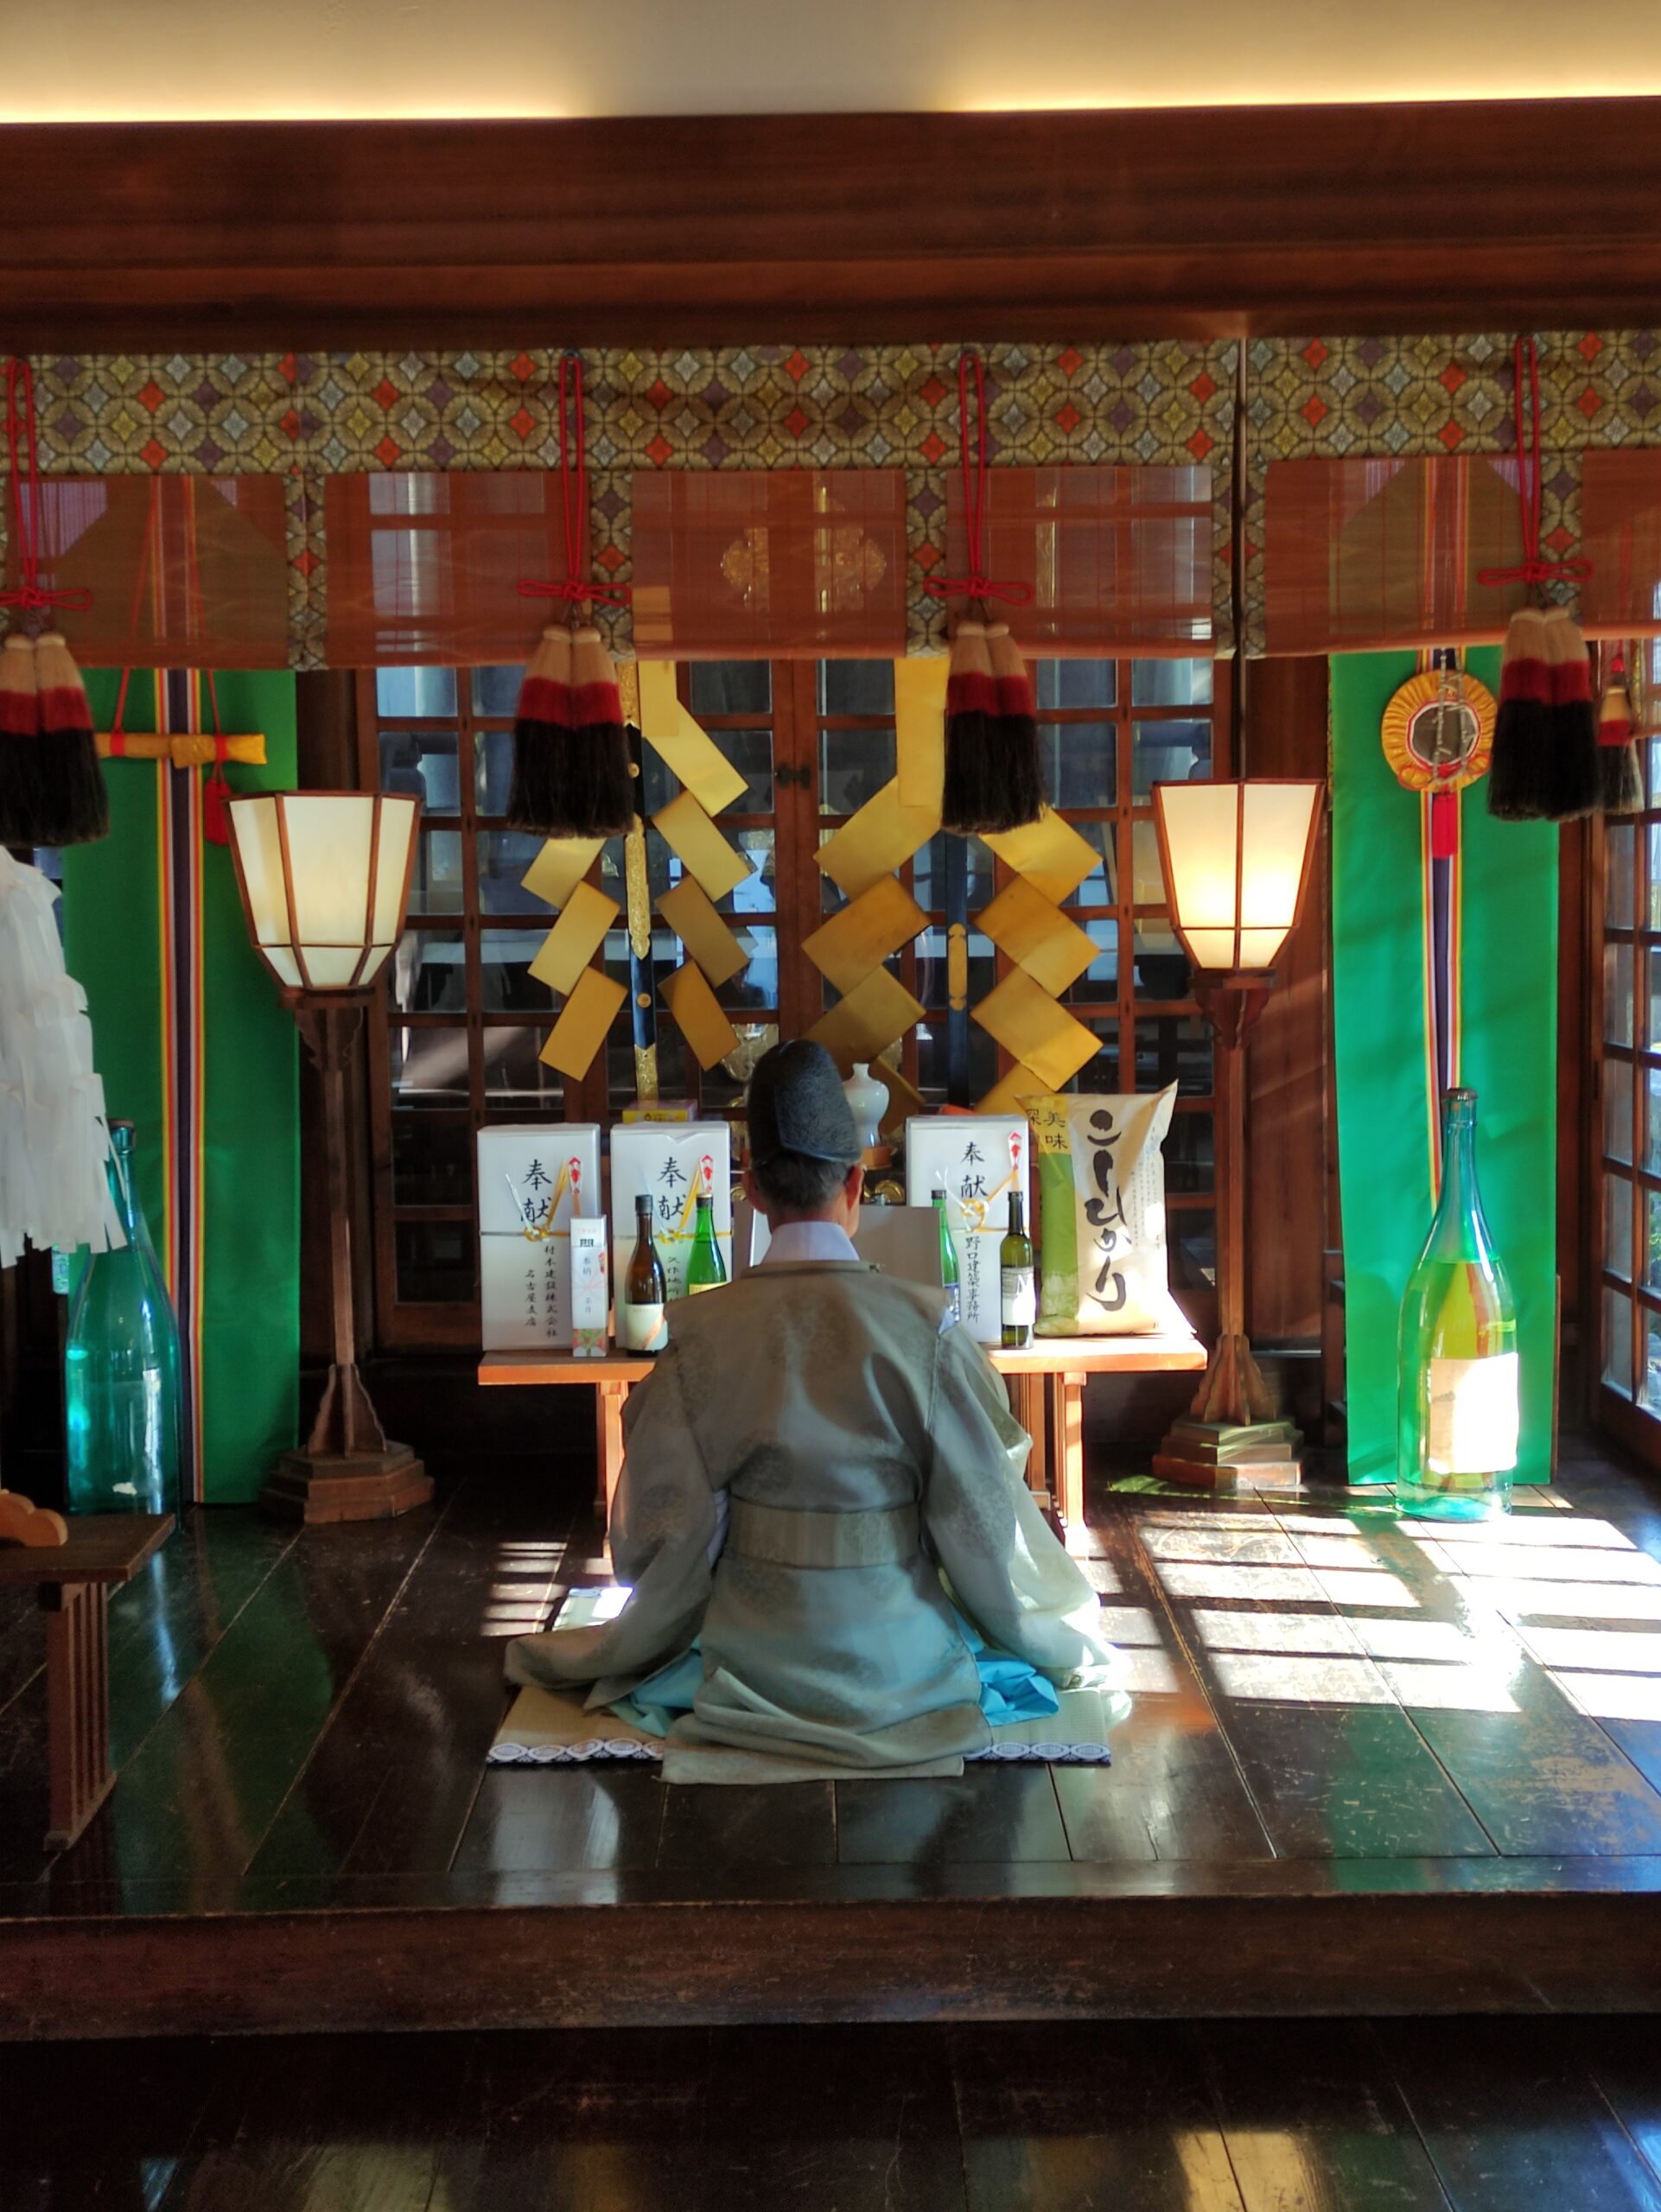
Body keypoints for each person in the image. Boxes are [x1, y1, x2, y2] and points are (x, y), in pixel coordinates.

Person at [506, 1040, 1128, 1783]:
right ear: (857, 1182)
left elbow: (651, 1539)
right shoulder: (924, 1330)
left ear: (751, 1187)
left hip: (753, 1668)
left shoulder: (700, 1335)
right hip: (900, 1668)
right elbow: (987, 1529)